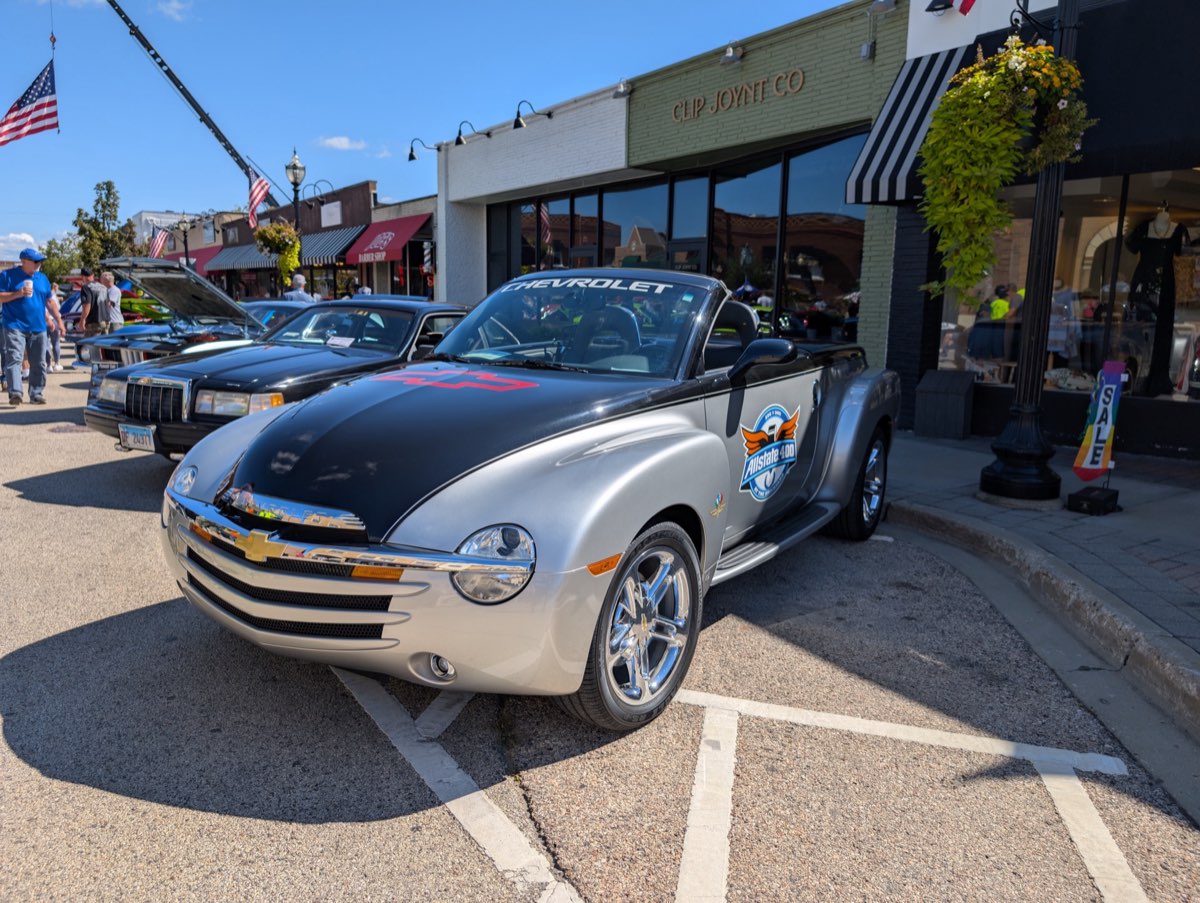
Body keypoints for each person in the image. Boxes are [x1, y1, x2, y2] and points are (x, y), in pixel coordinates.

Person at [0, 247, 52, 405]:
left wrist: (55, 319)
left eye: (40, 261)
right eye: (35, 261)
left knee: (39, 362)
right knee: (14, 359)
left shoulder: (43, 278)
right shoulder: (7, 275)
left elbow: (48, 301)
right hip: (14, 325)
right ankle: (15, 392)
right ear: (24, 261)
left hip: (38, 327)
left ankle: (36, 393)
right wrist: (18, 293)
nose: (39, 264)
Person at [45, 282, 66, 372]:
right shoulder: (53, 297)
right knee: (56, 343)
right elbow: (58, 309)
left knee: (46, 344)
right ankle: (57, 363)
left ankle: (48, 365)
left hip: (44, 320)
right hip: (54, 320)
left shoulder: (41, 295)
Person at [78, 267, 105, 337]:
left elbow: (87, 304)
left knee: (89, 346)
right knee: (103, 346)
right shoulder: (103, 287)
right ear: (92, 275)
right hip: (105, 322)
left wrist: (82, 320)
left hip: (93, 322)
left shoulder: (86, 287)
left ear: (82, 277)